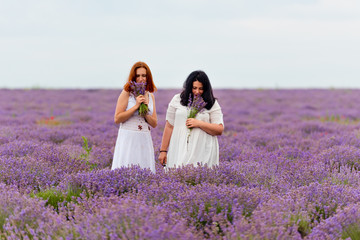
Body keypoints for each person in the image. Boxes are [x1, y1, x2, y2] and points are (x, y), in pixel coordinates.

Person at [159, 70, 224, 168]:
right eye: (194, 88)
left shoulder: (212, 103)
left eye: (201, 88)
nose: (197, 92)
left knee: (200, 179)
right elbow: (169, 126)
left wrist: (199, 123)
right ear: (189, 87)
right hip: (179, 146)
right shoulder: (177, 99)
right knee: (177, 176)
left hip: (203, 149)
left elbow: (219, 129)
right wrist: (163, 151)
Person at [112, 62, 157, 173]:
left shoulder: (150, 96)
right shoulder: (127, 93)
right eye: (138, 76)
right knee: (126, 169)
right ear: (133, 77)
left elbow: (154, 123)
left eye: (144, 75)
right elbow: (117, 118)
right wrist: (136, 106)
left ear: (148, 77)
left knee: (144, 171)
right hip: (129, 138)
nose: (141, 79)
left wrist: (145, 111)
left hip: (144, 138)